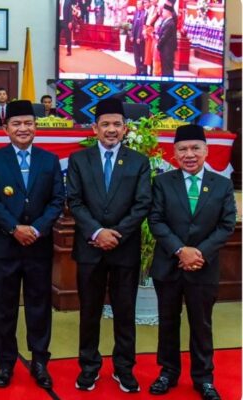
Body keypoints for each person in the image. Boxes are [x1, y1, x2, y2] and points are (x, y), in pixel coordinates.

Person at [66, 98, 151, 393]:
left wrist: (115, 234)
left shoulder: (139, 161)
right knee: (89, 312)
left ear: (125, 128)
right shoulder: (79, 160)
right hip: (90, 248)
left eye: (117, 124)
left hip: (124, 249)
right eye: (105, 124)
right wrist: (98, 231)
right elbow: (74, 201)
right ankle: (89, 367)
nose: (111, 129)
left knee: (125, 312)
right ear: (95, 128)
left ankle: (124, 369)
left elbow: (142, 204)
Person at [148, 124, 236, 400]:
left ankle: (204, 378)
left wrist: (198, 253)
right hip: (169, 265)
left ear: (206, 151)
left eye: (195, 148)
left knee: (202, 324)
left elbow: (226, 225)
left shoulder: (222, 184)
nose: (189, 154)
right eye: (183, 149)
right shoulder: (162, 183)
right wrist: (180, 250)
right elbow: (156, 220)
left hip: (203, 267)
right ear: (174, 153)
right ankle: (167, 372)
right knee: (168, 322)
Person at [0, 100, 65, 390]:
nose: (23, 128)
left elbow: (57, 200)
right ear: (6, 129)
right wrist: (14, 228)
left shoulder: (49, 160)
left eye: (28, 123)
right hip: (6, 246)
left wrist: (37, 229)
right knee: (4, 309)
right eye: (16, 124)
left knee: (38, 306)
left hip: (38, 247)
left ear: (36, 127)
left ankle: (40, 361)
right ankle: (5, 363)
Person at [157, 4, 177, 77]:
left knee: (167, 70)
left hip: (167, 51)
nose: (162, 13)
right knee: (164, 69)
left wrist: (158, 46)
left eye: (163, 11)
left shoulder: (170, 23)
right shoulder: (166, 21)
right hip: (164, 51)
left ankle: (168, 83)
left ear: (168, 12)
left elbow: (164, 37)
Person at [144, 0, 160, 75]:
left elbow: (153, 23)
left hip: (154, 35)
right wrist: (145, 30)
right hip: (149, 33)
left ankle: (152, 73)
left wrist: (148, 31)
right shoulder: (152, 9)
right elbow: (148, 22)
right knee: (149, 55)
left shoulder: (159, 9)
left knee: (153, 56)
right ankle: (149, 72)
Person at [131, 0, 147, 75]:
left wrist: (139, 37)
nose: (138, 6)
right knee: (136, 55)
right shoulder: (136, 13)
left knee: (142, 55)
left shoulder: (145, 13)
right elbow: (133, 25)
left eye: (139, 4)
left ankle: (143, 71)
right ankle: (137, 70)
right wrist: (132, 35)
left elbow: (142, 26)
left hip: (141, 38)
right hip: (134, 37)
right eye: (137, 4)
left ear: (143, 5)